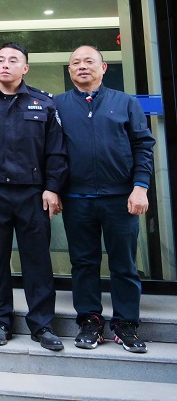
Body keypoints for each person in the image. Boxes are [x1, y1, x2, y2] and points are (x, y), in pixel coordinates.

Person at [54, 45, 156, 353]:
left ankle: (126, 324)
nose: (82, 66)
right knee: (83, 263)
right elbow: (51, 152)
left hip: (120, 198)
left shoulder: (125, 102)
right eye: (76, 63)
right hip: (76, 199)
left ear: (103, 67)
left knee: (124, 264)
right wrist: (53, 188)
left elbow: (143, 146)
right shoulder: (58, 105)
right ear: (70, 70)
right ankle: (90, 322)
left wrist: (140, 187)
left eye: (89, 61)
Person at [0, 43, 67, 351]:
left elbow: (56, 150)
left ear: (25, 68)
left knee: (37, 261)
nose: (5, 65)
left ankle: (42, 325)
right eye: (1, 59)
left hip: (33, 194)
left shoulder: (44, 103)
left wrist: (53, 187)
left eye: (13, 60)